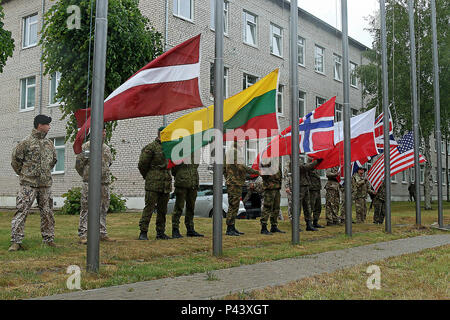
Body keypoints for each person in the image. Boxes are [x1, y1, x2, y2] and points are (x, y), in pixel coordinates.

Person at [9, 115, 57, 251]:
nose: (49, 127)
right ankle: (16, 242)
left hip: (45, 184)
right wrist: (25, 175)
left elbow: (53, 160)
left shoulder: (49, 143)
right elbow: (15, 161)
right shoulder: (26, 142)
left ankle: (48, 239)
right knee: (22, 211)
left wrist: (45, 173)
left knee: (47, 212)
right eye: (47, 124)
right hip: (28, 184)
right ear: (40, 125)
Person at [75, 127, 114, 244]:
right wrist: (87, 175)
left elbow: (109, 163)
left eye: (105, 131)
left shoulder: (106, 148)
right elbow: (79, 164)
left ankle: (102, 233)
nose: (104, 133)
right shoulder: (86, 147)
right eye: (102, 130)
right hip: (90, 183)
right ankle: (83, 234)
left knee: (103, 208)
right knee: (86, 208)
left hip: (104, 183)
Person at [138, 127, 172, 240]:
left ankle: (160, 232)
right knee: (149, 208)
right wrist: (148, 176)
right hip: (153, 183)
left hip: (165, 183)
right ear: (160, 134)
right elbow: (142, 164)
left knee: (163, 210)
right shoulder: (151, 147)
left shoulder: (169, 147)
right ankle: (143, 232)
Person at [224, 140, 259, 236]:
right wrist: (255, 171)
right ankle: (229, 229)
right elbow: (241, 167)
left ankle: (232, 227)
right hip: (234, 183)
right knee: (233, 205)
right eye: (241, 142)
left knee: (234, 206)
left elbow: (224, 168)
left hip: (235, 182)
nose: (243, 144)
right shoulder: (234, 151)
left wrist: (228, 178)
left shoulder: (232, 151)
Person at [170, 152, 203, 238]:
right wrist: (181, 175)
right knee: (179, 207)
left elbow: (196, 166)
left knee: (191, 207)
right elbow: (174, 168)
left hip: (193, 182)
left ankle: (190, 229)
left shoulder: (196, 151)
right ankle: (175, 229)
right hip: (182, 182)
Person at [286, 156, 321, 231]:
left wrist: (316, 162)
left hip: (305, 185)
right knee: (297, 207)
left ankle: (309, 224)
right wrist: (316, 161)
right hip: (298, 186)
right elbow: (303, 168)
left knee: (307, 207)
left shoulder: (299, 160)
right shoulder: (292, 162)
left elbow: (308, 168)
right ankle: (295, 226)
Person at [260, 157, 285, 235]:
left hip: (276, 187)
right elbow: (263, 172)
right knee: (267, 207)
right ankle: (263, 227)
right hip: (270, 187)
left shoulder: (276, 160)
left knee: (276, 208)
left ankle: (274, 226)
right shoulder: (266, 159)